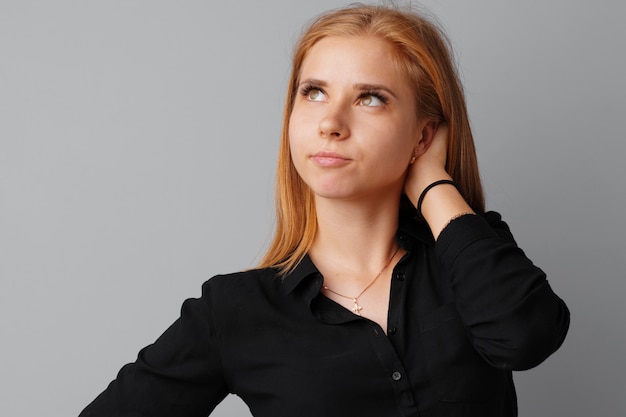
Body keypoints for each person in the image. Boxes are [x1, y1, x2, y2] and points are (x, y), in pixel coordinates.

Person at [80, 4, 569, 417]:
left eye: (370, 99)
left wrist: (433, 183)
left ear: (423, 135)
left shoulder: (469, 255)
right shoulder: (237, 311)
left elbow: (525, 338)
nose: (331, 123)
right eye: (313, 93)